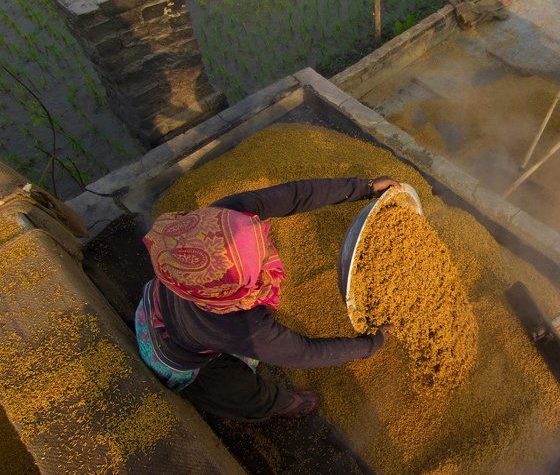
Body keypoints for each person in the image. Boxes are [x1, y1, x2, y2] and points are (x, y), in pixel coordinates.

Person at [135, 175, 401, 421]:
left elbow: (292, 194)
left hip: (152, 303)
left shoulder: (218, 223)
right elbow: (305, 353)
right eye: (258, 261)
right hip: (169, 356)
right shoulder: (243, 326)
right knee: (239, 393)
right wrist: (370, 344)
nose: (267, 254)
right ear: (232, 290)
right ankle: (283, 403)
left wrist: (363, 188)